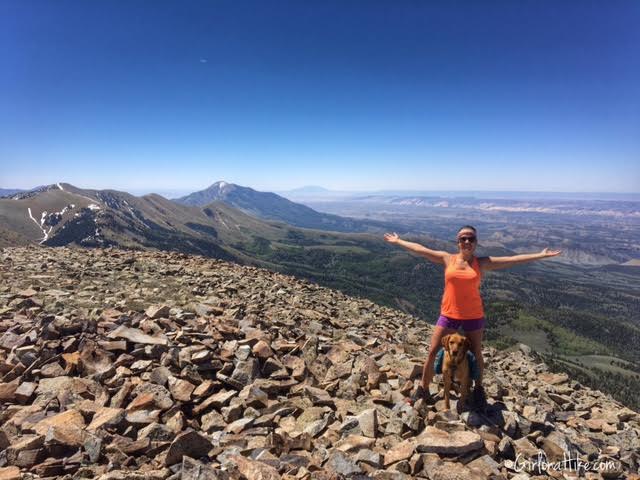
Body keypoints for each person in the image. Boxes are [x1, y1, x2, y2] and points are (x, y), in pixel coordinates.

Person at [383, 226, 561, 407]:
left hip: (473, 315)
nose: (467, 242)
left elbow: (512, 260)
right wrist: (399, 241)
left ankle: (478, 390)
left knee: (476, 353)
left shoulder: (481, 262)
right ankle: (423, 389)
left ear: (476, 242)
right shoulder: (448, 258)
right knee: (433, 351)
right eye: (463, 238)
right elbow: (421, 250)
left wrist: (540, 255)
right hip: (449, 314)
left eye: (471, 239)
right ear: (458, 241)